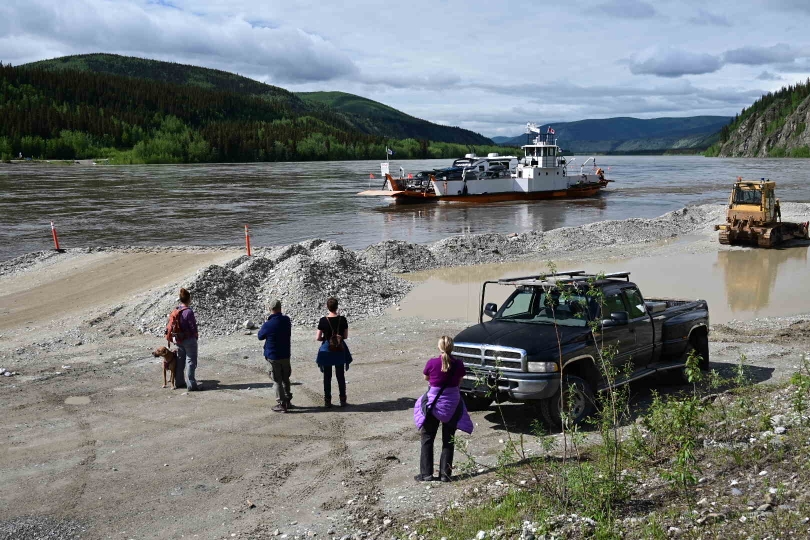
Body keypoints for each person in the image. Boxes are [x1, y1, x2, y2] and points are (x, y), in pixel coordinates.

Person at [413, 336, 474, 482]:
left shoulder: (432, 363)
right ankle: (445, 475)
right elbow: (460, 381)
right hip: (452, 405)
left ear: (439, 347)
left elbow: (426, 378)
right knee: (448, 440)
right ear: (452, 347)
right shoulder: (459, 364)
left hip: (433, 405)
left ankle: (426, 474)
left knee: (427, 438)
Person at [315, 297, 352, 408]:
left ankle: (327, 401)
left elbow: (318, 338)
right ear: (337, 307)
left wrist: (326, 339)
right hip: (339, 349)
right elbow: (345, 336)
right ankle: (343, 400)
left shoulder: (323, 320)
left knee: (327, 376)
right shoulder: (343, 319)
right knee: (340, 376)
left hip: (327, 349)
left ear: (327, 307)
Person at [258, 299, 293, 413]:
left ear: (270, 309)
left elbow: (260, 336)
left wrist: (266, 323)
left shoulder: (269, 324)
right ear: (280, 308)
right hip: (285, 354)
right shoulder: (286, 320)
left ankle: (282, 404)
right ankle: (287, 400)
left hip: (273, 356)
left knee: (277, 380)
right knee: (285, 378)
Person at [167, 288, 200, 391]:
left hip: (178, 339)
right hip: (189, 339)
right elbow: (193, 326)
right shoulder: (188, 312)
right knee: (190, 360)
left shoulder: (176, 310)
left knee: (181, 360)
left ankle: (179, 382)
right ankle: (191, 385)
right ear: (189, 299)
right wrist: (195, 336)